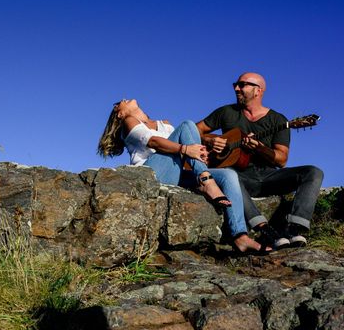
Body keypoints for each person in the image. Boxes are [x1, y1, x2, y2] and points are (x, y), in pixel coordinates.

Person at [98, 98, 267, 254]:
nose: (124, 99)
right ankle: (206, 180)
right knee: (187, 124)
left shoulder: (165, 124)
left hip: (174, 174)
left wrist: (201, 152)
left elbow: (186, 150)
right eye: (119, 103)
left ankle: (240, 236)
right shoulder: (128, 122)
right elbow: (154, 142)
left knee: (229, 175)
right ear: (120, 113)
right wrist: (185, 149)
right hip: (151, 174)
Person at [196, 72, 324, 249]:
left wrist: (260, 148)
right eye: (236, 84)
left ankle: (294, 228)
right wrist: (209, 140)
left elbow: (281, 160)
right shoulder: (226, 112)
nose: (236, 88)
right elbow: (194, 130)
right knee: (230, 176)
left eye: (242, 85)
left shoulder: (278, 120)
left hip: (269, 177)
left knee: (313, 172)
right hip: (238, 178)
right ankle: (264, 229)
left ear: (258, 91)